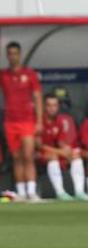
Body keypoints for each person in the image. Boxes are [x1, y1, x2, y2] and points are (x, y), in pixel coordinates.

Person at [1, 41, 42, 202]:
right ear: (7, 56)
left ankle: (31, 191)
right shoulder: (3, 75)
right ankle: (21, 192)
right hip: (10, 122)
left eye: (15, 53)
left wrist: (39, 121)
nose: (12, 57)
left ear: (20, 55)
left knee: (28, 156)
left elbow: (37, 97)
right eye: (10, 54)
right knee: (16, 158)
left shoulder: (30, 74)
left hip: (27, 121)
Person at [38, 95, 85, 200]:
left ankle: (79, 192)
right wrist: (60, 151)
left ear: (58, 107)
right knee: (53, 156)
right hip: (39, 154)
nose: (52, 108)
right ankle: (60, 193)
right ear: (44, 106)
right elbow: (38, 145)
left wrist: (66, 150)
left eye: (54, 105)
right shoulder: (39, 121)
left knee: (75, 155)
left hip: (57, 153)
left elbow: (62, 142)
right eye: (49, 105)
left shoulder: (62, 120)